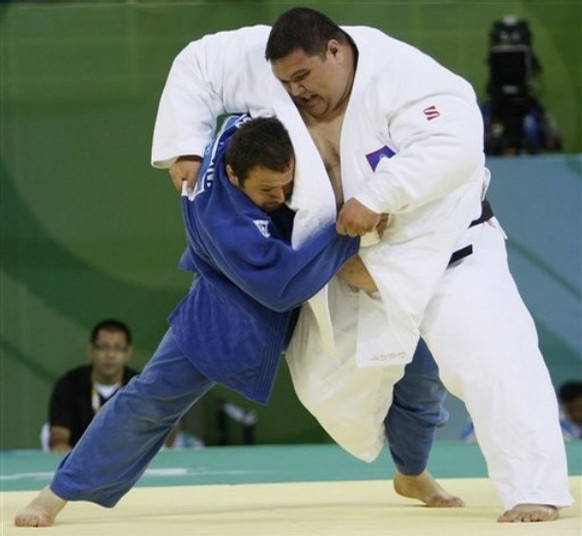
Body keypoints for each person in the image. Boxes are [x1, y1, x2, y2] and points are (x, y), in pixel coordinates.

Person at [148, 8, 571, 522]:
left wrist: (379, 194)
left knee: (493, 361)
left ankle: (534, 489)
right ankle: (406, 469)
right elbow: (200, 63)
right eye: (286, 82)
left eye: (303, 77)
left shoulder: (406, 77)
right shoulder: (273, 64)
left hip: (445, 256)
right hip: (351, 267)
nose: (296, 91)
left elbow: (455, 144)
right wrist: (186, 147)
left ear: (336, 50)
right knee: (327, 390)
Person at [16, 114, 456, 528]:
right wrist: (345, 233)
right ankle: (59, 491)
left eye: (286, 185)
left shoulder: (252, 128)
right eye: (268, 191)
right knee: (150, 398)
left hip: (324, 283)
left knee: (417, 363)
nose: (279, 198)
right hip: (235, 309)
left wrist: (181, 144)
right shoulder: (221, 214)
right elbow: (280, 286)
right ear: (232, 175)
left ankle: (412, 471)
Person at [46, 319, 139, 452]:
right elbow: (59, 437)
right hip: (79, 464)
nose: (110, 355)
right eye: (104, 347)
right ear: (91, 350)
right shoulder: (69, 385)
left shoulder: (140, 387)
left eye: (118, 348)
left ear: (128, 352)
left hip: (129, 463)